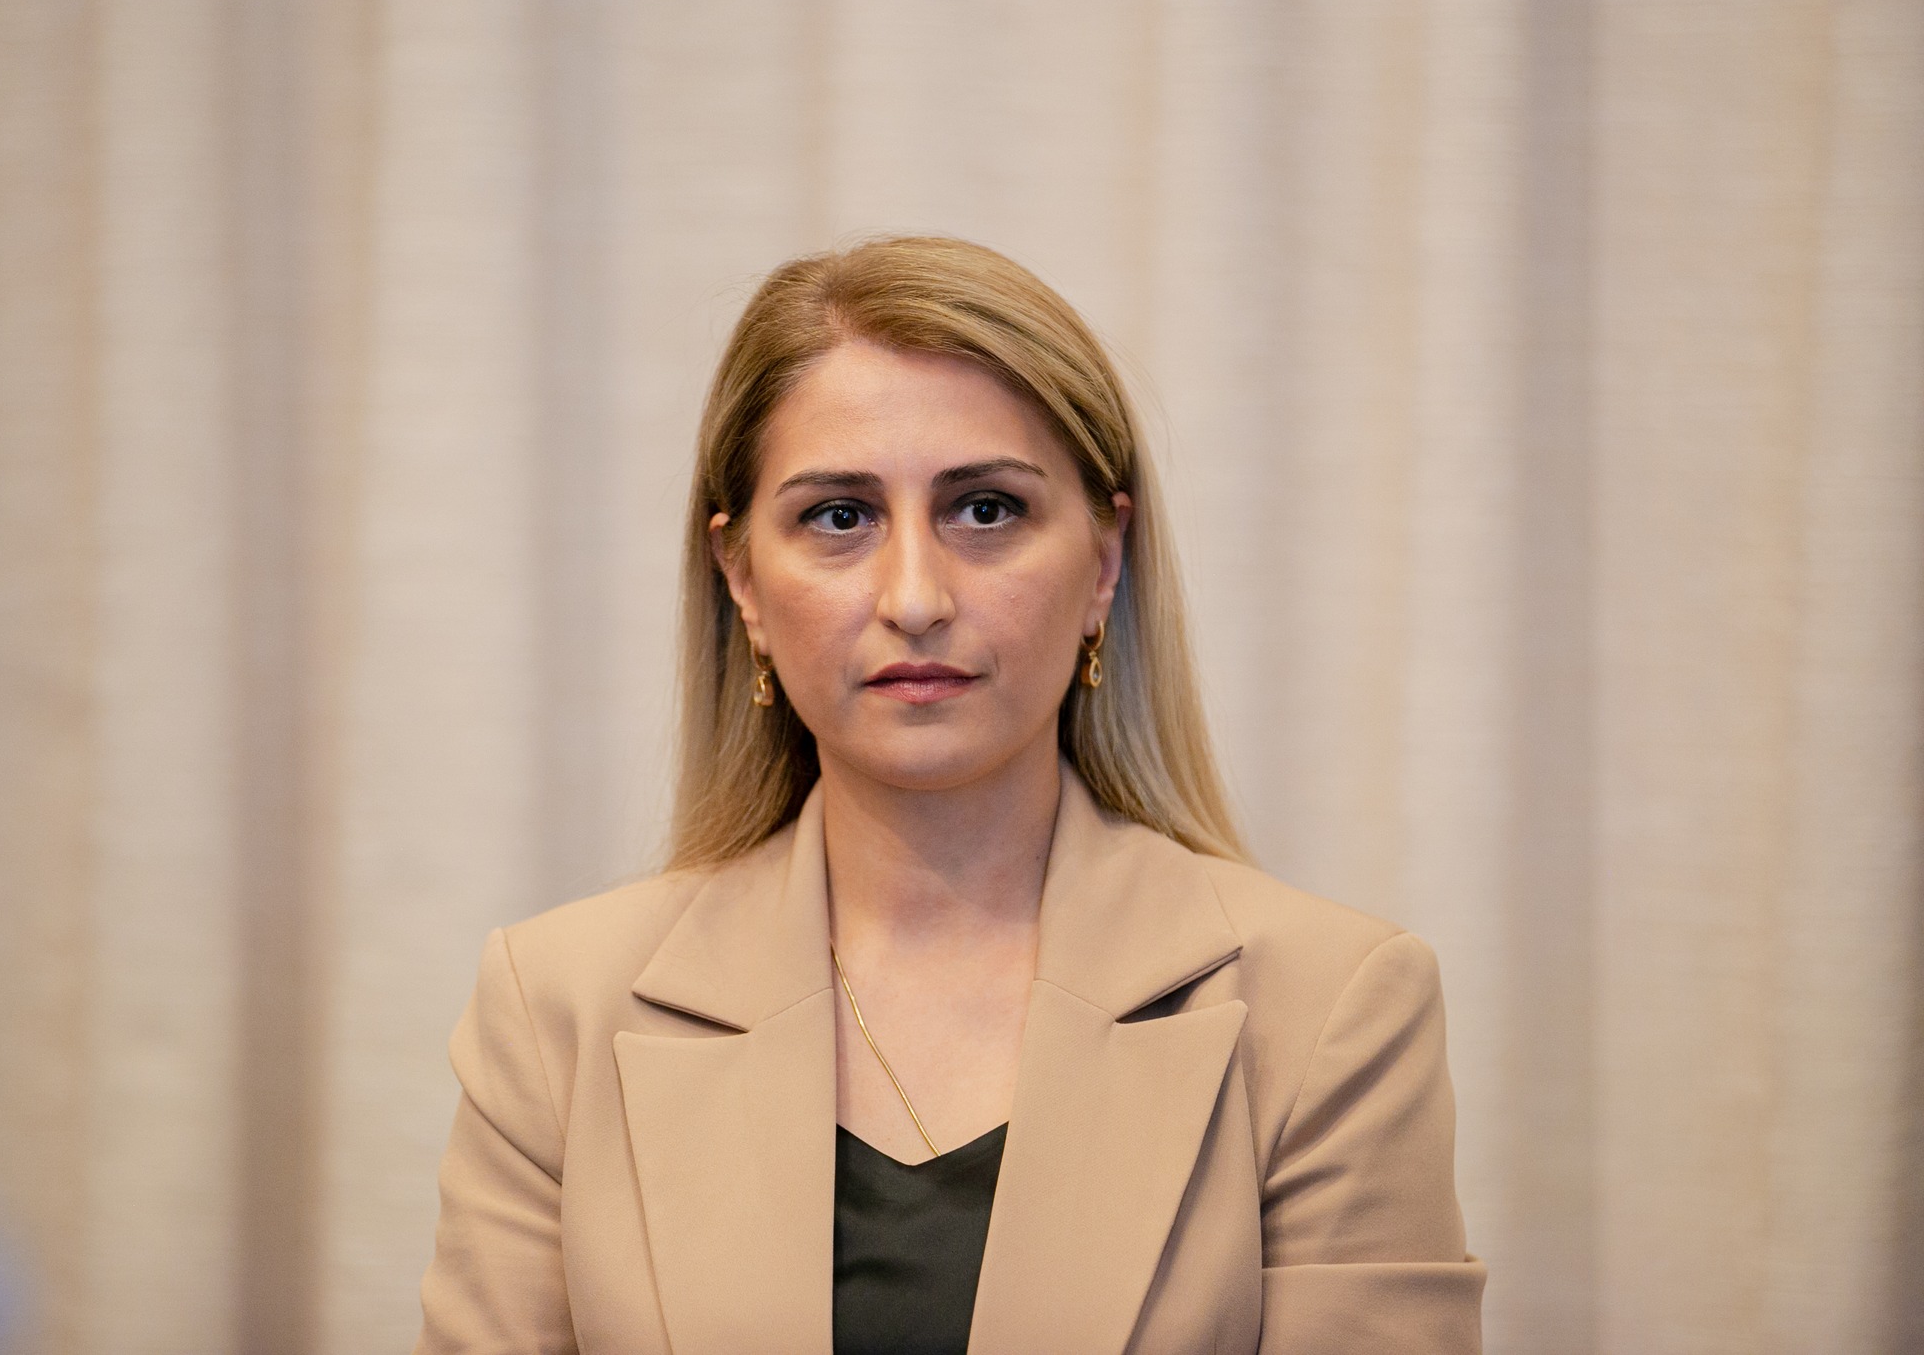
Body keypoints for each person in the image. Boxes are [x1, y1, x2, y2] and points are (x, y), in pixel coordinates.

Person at [413, 236, 1484, 1354]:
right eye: (840, 516)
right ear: (742, 581)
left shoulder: (1330, 1006)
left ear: (1103, 562)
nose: (916, 598)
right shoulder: (557, 1010)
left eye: (984, 510)